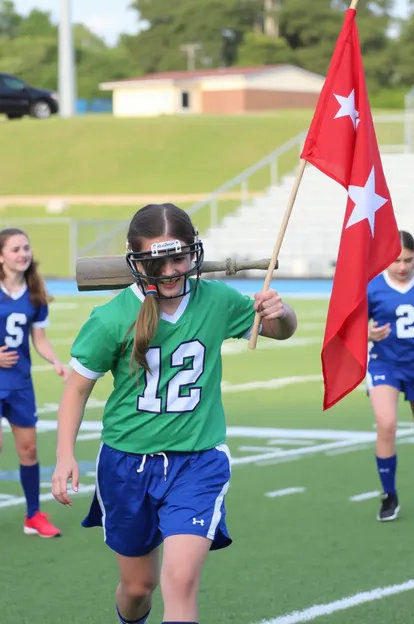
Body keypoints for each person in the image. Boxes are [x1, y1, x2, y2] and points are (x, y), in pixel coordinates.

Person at [52, 203, 298, 624]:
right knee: (137, 589)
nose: (169, 271)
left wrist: (282, 312)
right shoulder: (111, 318)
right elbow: (76, 389)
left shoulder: (216, 300)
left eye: (179, 258)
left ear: (194, 254)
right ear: (136, 262)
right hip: (128, 463)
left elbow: (279, 330)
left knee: (180, 581)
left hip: (197, 461)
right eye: (156, 261)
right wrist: (64, 455)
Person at [0, 227, 69, 537]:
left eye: (25, 248)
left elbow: (38, 337)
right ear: (1, 256)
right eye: (15, 249)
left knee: (28, 450)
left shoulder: (35, 292)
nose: (22, 254)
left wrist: (54, 360)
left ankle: (33, 515)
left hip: (19, 383)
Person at [367, 230, 414, 522]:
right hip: (384, 363)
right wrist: (367, 332)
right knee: (386, 423)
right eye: (396, 260)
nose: (402, 266)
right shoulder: (373, 287)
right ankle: (389, 494)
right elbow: (351, 325)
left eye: (408, 260)